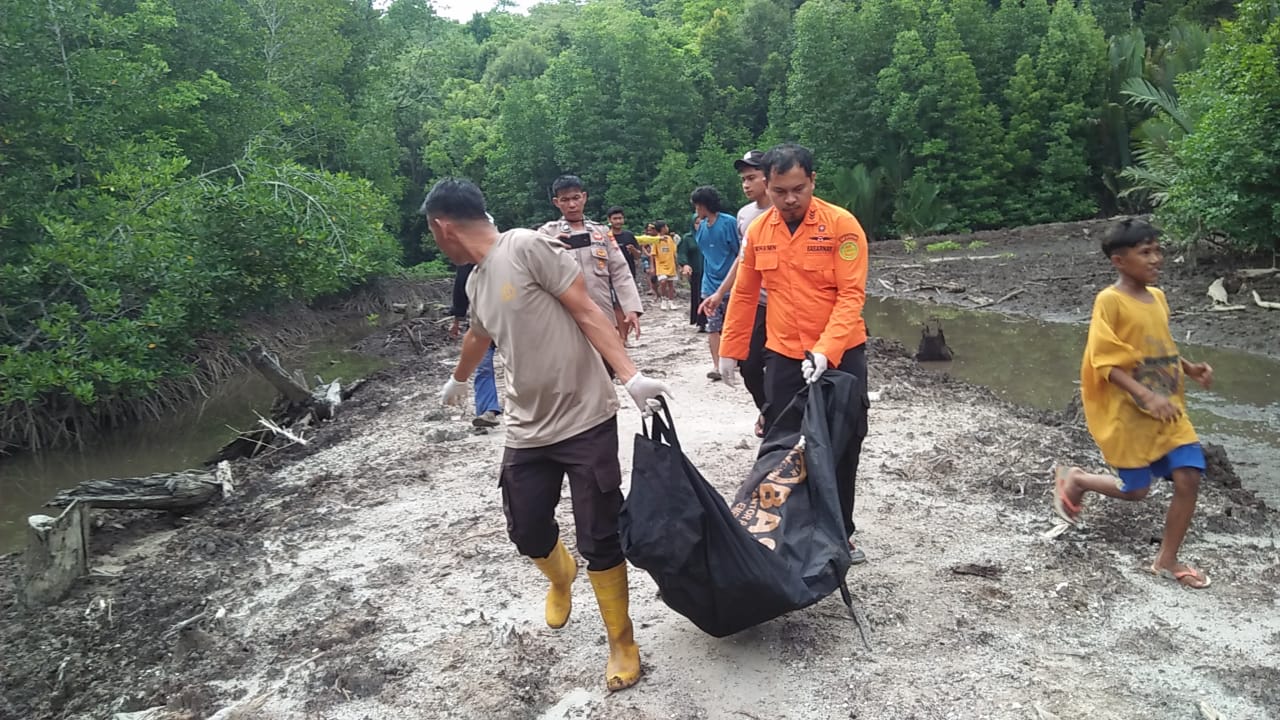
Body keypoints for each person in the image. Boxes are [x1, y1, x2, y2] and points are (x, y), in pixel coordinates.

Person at [425, 178, 671, 691]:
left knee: (599, 535)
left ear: (441, 227)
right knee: (526, 528)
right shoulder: (476, 281)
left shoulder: (525, 245)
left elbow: (586, 309)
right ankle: (561, 577)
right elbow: (478, 334)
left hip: (585, 416)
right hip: (526, 426)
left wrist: (629, 375)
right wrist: (459, 378)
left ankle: (622, 640)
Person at [717, 143, 870, 563]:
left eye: (798, 189)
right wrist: (730, 350)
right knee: (783, 445)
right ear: (767, 185)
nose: (789, 200)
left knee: (842, 442)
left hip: (840, 354)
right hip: (784, 355)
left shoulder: (842, 226)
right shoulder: (758, 232)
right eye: (780, 190)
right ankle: (784, 528)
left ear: (813, 182)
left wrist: (827, 349)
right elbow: (745, 294)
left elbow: (851, 295)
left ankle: (841, 534)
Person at [1052, 219, 1214, 589]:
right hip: (1130, 412)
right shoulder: (1109, 301)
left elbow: (1160, 342)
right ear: (1119, 261)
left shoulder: (1157, 297)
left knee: (1189, 476)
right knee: (1136, 490)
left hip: (1168, 409)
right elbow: (1104, 362)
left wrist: (1189, 368)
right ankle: (1076, 478)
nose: (1156, 259)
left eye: (1158, 250)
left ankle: (1167, 559)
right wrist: (1145, 395)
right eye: (1145, 253)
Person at [700, 149, 773, 436]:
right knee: (750, 366)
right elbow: (743, 260)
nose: (746, 184)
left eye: (752, 177)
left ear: (769, 177)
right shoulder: (744, 215)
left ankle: (784, 418)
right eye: (743, 179)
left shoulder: (785, 210)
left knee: (784, 368)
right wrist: (719, 293)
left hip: (788, 304)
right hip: (758, 302)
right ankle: (767, 411)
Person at [536, 176, 644, 344]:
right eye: (565, 200)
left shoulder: (602, 232)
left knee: (608, 364)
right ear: (557, 202)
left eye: (576, 198)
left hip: (602, 313)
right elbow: (535, 270)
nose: (572, 205)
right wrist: (550, 247)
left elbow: (620, 272)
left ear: (584, 197)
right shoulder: (546, 234)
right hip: (566, 315)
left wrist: (631, 308)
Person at [689, 186, 741, 380]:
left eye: (697, 205)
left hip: (731, 282)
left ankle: (734, 360)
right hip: (709, 284)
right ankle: (717, 365)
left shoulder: (729, 223)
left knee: (733, 324)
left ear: (703, 205)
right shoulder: (701, 226)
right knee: (713, 325)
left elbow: (740, 254)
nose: (696, 210)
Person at [448, 262, 501, 428]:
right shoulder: (466, 261)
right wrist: (457, 319)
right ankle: (488, 411)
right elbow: (460, 289)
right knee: (483, 366)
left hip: (509, 317)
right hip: (483, 320)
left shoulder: (505, 254)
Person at [677, 218, 706, 332]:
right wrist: (685, 264)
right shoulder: (688, 238)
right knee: (698, 296)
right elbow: (682, 253)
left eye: (702, 222)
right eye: (697, 223)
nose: (699, 225)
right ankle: (701, 322)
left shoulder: (710, 236)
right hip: (696, 272)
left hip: (711, 271)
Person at [650, 221, 679, 310]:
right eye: (666, 226)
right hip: (661, 265)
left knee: (671, 284)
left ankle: (671, 301)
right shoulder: (656, 240)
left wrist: (677, 263)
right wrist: (652, 267)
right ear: (662, 228)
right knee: (663, 281)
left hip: (671, 265)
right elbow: (653, 254)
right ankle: (663, 299)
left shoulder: (669, 239)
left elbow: (674, 252)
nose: (667, 228)